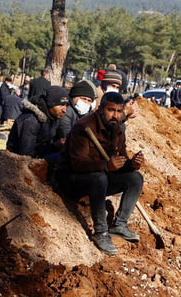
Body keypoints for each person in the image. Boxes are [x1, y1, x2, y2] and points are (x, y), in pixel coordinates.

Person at [55, 92, 145, 255]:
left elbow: (120, 162)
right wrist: (106, 165)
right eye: (111, 110)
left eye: (119, 111)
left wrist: (132, 164)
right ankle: (101, 232)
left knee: (135, 179)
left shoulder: (117, 129)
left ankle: (119, 225)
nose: (115, 115)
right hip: (70, 180)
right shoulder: (83, 127)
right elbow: (77, 164)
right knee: (99, 178)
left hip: (99, 178)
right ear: (101, 109)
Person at [6, 85, 69, 159]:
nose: (64, 110)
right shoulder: (31, 121)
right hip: (19, 162)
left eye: (66, 105)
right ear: (50, 103)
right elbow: (26, 154)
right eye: (61, 105)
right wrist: (54, 146)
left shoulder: (52, 118)